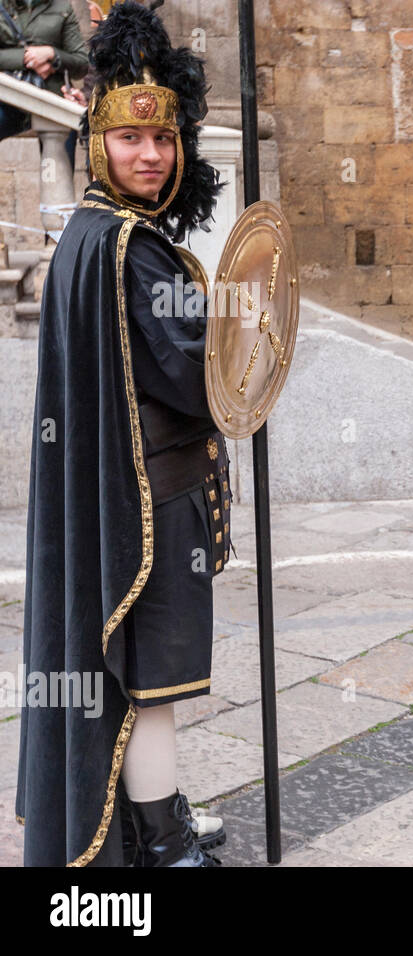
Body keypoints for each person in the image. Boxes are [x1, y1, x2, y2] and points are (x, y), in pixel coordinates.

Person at [16, 0, 225, 866]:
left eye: (164, 141)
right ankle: (163, 843)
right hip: (146, 499)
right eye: (132, 140)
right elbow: (199, 375)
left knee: (135, 680)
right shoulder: (127, 245)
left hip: (116, 489)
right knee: (153, 682)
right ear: (97, 141)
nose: (149, 155)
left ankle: (149, 813)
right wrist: (245, 333)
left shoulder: (88, 234)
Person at [0, 0, 88, 140]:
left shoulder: (62, 7)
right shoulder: (4, 6)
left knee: (58, 159)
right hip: (9, 97)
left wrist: (52, 54)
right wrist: (25, 58)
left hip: (54, 99)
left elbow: (82, 64)